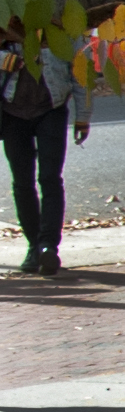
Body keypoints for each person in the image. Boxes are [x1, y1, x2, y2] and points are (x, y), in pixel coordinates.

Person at [0, 30, 88, 277]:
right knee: (22, 182)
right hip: (12, 113)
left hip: (52, 109)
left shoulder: (59, 24)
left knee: (50, 178)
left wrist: (83, 116)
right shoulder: (7, 17)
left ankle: (49, 245)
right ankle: (33, 246)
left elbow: (81, 72)